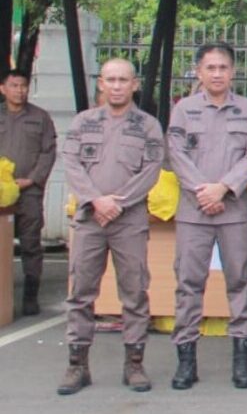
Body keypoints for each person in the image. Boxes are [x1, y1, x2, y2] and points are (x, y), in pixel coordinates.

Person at [58, 59, 165, 395]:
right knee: (81, 293)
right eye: (111, 80)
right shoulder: (83, 122)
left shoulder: (148, 126)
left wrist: (117, 203)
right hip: (90, 219)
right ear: (101, 84)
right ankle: (77, 365)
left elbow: (151, 170)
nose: (117, 86)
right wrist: (95, 200)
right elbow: (71, 163)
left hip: (128, 221)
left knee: (134, 292)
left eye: (123, 80)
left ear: (135, 84)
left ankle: (134, 364)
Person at [166, 42, 247, 389]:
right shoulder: (184, 110)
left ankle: (241, 363)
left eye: (223, 67)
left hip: (234, 211)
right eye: (210, 68)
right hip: (194, 212)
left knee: (240, 282)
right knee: (188, 284)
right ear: (199, 72)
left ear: (233, 71)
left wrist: (223, 188)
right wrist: (204, 192)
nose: (217, 74)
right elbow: (177, 154)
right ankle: (186, 363)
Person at [0, 68, 57, 316]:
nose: (19, 91)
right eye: (14, 86)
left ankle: (30, 296)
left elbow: (48, 152)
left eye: (23, 86)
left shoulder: (40, 117)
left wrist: (32, 180)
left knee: (30, 243)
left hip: (29, 191)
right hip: (0, 193)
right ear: (3, 89)